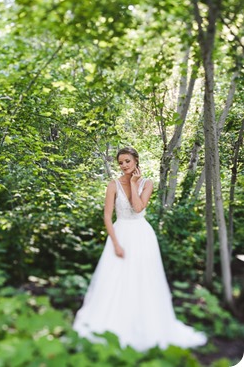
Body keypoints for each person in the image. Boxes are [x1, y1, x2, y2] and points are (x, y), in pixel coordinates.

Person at [73, 146, 207, 352]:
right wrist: (116, 243)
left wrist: (134, 184)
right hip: (120, 234)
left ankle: (145, 323)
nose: (124, 165)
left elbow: (138, 208)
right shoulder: (113, 185)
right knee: (115, 277)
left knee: (143, 277)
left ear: (136, 161)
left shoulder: (147, 183)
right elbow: (108, 216)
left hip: (142, 236)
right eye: (121, 162)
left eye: (127, 161)